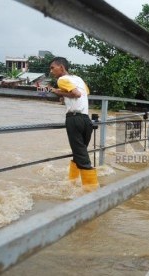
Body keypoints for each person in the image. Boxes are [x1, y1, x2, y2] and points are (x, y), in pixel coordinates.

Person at [49, 57, 98, 191]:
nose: (51, 71)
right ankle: (72, 183)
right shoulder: (79, 79)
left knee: (82, 156)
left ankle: (92, 192)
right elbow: (84, 92)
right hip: (86, 120)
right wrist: (64, 94)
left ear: (62, 67)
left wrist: (56, 91)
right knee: (79, 152)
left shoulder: (62, 80)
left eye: (53, 68)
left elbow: (76, 94)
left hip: (74, 119)